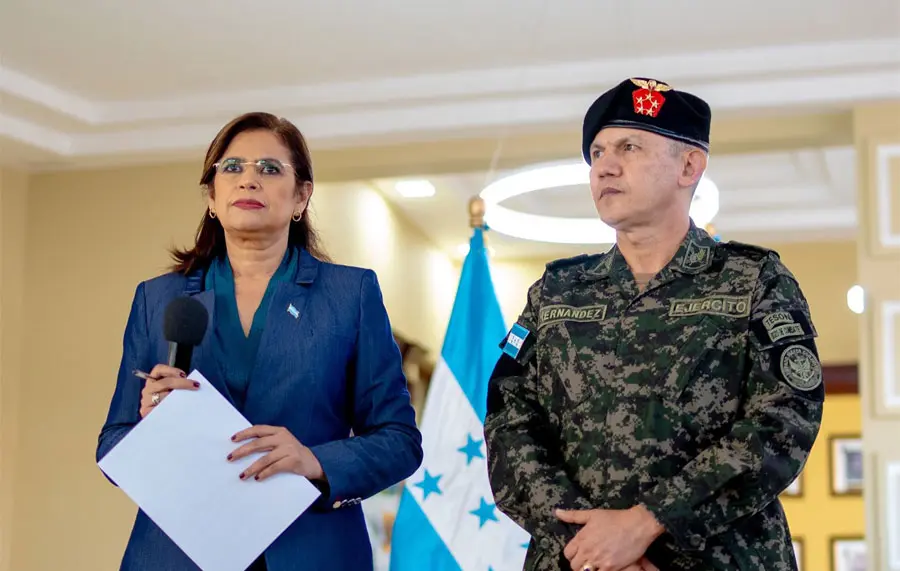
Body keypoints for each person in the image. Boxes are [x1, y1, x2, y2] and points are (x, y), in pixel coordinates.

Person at [484, 78, 824, 571]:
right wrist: (591, 544)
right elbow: (509, 422)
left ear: (689, 166)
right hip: (575, 560)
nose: (605, 166)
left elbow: (784, 420)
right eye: (597, 153)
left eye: (629, 147)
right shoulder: (556, 291)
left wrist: (648, 523)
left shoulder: (754, 280)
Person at [96, 112, 423, 571]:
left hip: (310, 550)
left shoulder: (351, 295)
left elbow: (399, 441)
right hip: (177, 555)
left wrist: (313, 460)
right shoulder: (158, 298)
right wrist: (152, 424)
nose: (248, 179)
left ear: (301, 196)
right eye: (232, 167)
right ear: (212, 197)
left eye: (269, 168)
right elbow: (112, 446)